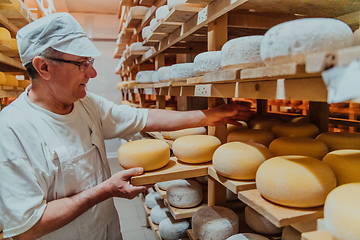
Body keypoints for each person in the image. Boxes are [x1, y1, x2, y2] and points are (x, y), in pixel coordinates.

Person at [0, 12, 251, 240]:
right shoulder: (12, 130)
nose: (93, 73)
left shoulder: (87, 105)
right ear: (43, 67)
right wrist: (105, 190)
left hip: (108, 232)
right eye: (82, 64)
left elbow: (146, 118)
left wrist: (210, 115)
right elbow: (28, 226)